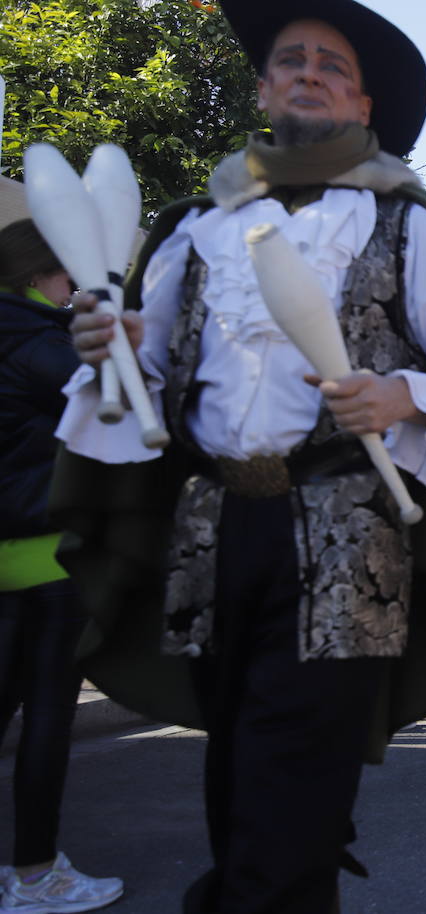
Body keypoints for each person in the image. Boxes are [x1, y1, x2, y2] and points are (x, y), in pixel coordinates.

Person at [54, 3, 426, 909]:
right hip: (209, 530)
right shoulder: (194, 227)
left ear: (362, 99)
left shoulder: (404, 222)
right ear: (264, 87)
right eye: (290, 60)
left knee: (293, 790)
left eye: (330, 64)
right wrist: (112, 342)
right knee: (236, 775)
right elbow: (146, 375)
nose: (308, 71)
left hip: (347, 533)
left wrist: (403, 395)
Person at [0, 220, 124, 912]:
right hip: (48, 556)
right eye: (65, 275)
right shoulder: (42, 340)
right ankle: (35, 872)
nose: (73, 287)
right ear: (38, 275)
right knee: (47, 721)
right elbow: (121, 407)